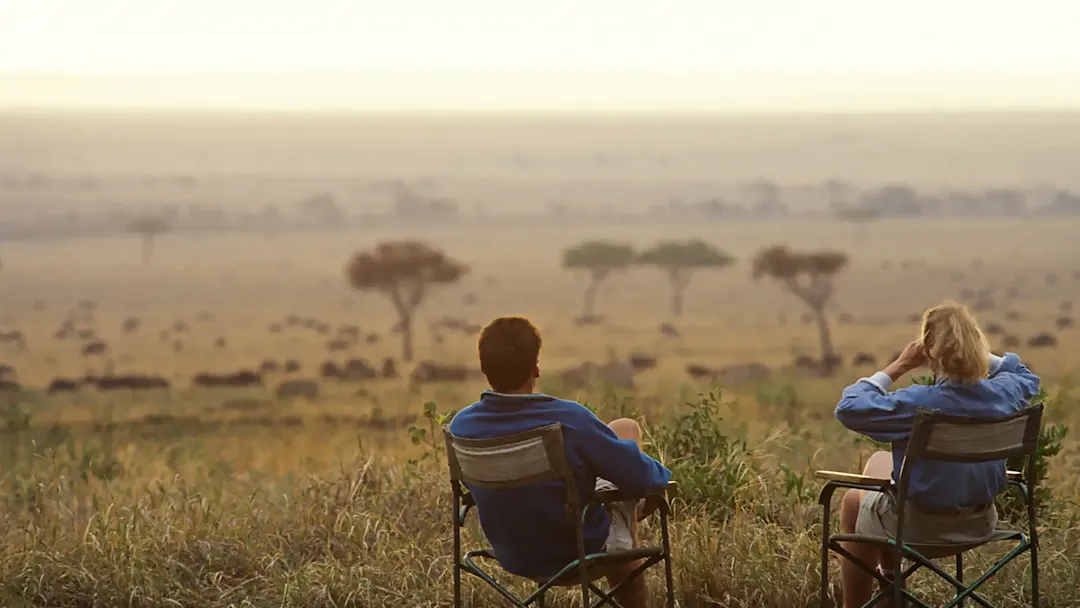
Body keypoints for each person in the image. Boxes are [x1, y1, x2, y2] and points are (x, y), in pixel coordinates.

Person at [450, 316, 671, 608]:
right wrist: (662, 478)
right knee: (628, 435)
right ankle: (625, 555)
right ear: (535, 368)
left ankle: (622, 528)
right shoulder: (569, 420)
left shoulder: (461, 427)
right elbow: (645, 478)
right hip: (578, 551)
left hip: (514, 553)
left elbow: (471, 490)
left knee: (621, 431)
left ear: (484, 369)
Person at [833, 301, 1041, 608]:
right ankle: (890, 580)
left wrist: (899, 365)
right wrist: (972, 352)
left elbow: (849, 408)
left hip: (915, 529)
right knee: (880, 464)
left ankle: (874, 595)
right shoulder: (1003, 393)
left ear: (929, 350)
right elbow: (1025, 376)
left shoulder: (920, 403)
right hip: (980, 523)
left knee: (853, 500)